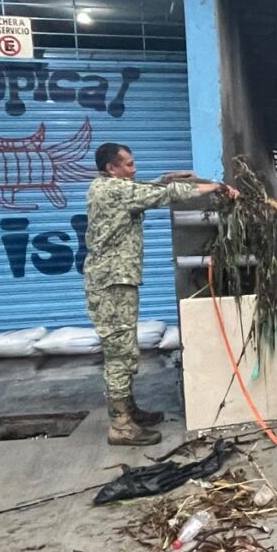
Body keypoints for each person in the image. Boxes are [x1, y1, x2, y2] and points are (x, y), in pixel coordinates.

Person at [86, 142, 236, 446]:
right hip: (111, 282)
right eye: (127, 164)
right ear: (111, 169)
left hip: (117, 280)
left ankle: (128, 411)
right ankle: (120, 426)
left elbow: (148, 189)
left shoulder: (112, 188)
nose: (134, 168)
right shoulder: (110, 190)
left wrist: (174, 178)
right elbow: (161, 196)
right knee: (119, 352)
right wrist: (214, 186)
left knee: (125, 347)